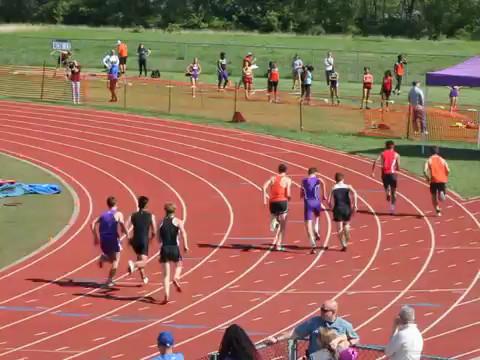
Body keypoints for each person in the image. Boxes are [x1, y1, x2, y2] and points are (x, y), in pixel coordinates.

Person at [267, 299, 359, 356]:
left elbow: (355, 339)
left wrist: (345, 343)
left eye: (325, 310)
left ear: (333, 312)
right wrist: (276, 339)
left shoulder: (345, 325)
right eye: (321, 309)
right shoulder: (314, 322)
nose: (321, 312)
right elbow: (295, 333)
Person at [91, 196, 128, 287]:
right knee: (116, 261)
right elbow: (122, 224)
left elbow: (92, 223)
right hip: (113, 239)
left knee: (112, 259)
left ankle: (103, 258)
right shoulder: (118, 214)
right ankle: (109, 280)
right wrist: (127, 233)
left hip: (103, 239)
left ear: (108, 204)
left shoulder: (103, 215)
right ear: (116, 204)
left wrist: (96, 237)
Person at [158, 202, 189, 304]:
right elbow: (184, 233)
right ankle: (176, 277)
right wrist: (185, 245)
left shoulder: (161, 222)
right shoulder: (178, 221)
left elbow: (159, 239)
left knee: (165, 275)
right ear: (174, 211)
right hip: (174, 248)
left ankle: (166, 295)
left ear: (165, 211)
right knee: (179, 264)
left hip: (164, 248)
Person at [127, 196, 157, 284]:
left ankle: (143, 276)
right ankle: (134, 264)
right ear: (146, 205)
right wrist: (151, 238)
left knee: (139, 257)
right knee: (144, 262)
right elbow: (154, 230)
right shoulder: (151, 216)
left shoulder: (132, 215)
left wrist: (129, 237)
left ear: (138, 204)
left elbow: (125, 225)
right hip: (144, 240)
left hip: (135, 240)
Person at [263, 164, 292, 252]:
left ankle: (274, 221)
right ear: (286, 171)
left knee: (275, 216)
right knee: (283, 225)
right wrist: (289, 199)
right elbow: (288, 194)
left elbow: (263, 187)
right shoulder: (287, 180)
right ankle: (278, 245)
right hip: (282, 202)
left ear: (278, 170)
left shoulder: (272, 178)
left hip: (272, 202)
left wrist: (265, 197)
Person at [328, 173, 358, 251]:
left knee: (339, 229)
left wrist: (331, 207)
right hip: (347, 208)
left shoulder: (333, 188)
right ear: (343, 179)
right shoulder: (348, 186)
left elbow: (328, 201)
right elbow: (355, 193)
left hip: (338, 209)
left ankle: (344, 245)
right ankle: (347, 230)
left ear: (335, 180)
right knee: (347, 223)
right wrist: (355, 205)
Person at [301, 167, 327, 254]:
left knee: (308, 224)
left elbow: (301, 194)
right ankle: (316, 228)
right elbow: (323, 182)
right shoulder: (318, 180)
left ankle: (313, 244)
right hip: (317, 202)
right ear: (315, 173)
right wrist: (324, 194)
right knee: (317, 217)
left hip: (308, 203)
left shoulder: (304, 181)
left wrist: (303, 193)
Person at [372, 140, 400, 214]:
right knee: (394, 192)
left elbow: (375, 161)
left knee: (386, 187)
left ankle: (387, 193)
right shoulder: (396, 154)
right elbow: (398, 166)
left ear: (386, 146)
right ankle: (392, 209)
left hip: (384, 174)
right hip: (392, 174)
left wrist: (373, 172)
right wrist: (397, 169)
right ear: (393, 146)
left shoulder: (382, 153)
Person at [424, 146, 450, 217]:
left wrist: (427, 178)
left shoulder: (429, 160)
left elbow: (424, 170)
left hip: (433, 180)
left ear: (431, 152)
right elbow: (448, 170)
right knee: (441, 197)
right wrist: (445, 176)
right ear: (438, 151)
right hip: (442, 180)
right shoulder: (442, 160)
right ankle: (442, 193)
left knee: (433, 197)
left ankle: (438, 211)